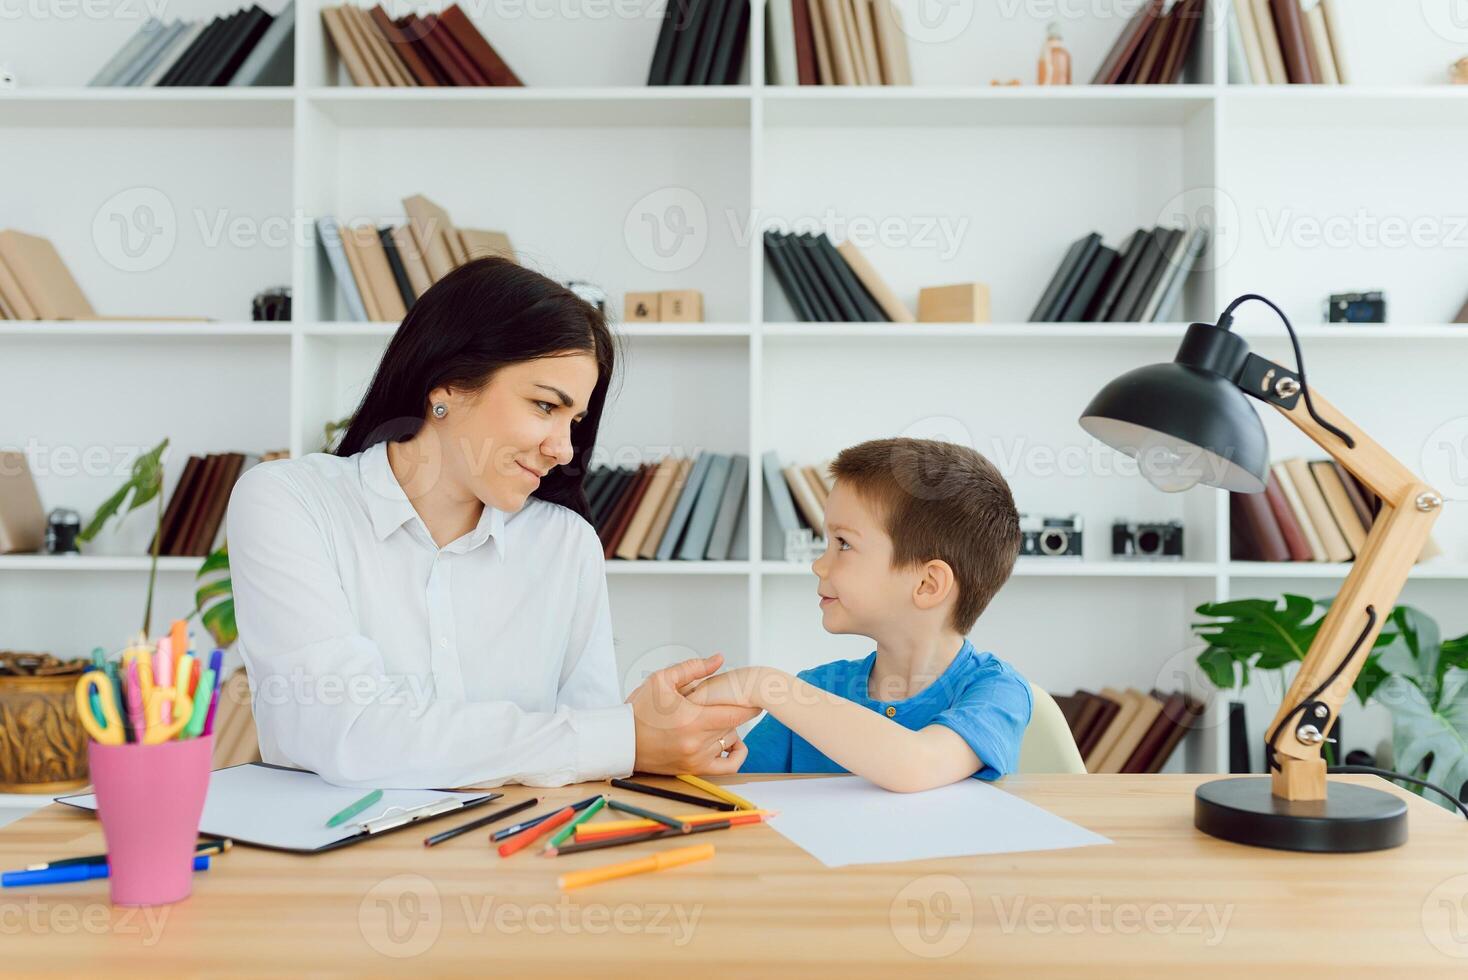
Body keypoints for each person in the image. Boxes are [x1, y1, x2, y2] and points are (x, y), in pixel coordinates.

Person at [227, 257, 756, 788]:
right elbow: (347, 730)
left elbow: (588, 764)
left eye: (574, 420)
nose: (563, 448)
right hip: (328, 860)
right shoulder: (290, 503)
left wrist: (645, 737)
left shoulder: (565, 544)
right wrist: (623, 738)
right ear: (448, 385)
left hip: (520, 858)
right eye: (545, 405)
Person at [687, 438, 1032, 792]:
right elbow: (724, 795)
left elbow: (916, 765)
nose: (819, 565)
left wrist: (762, 685)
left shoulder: (998, 692)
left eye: (844, 544)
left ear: (928, 584)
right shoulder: (811, 691)